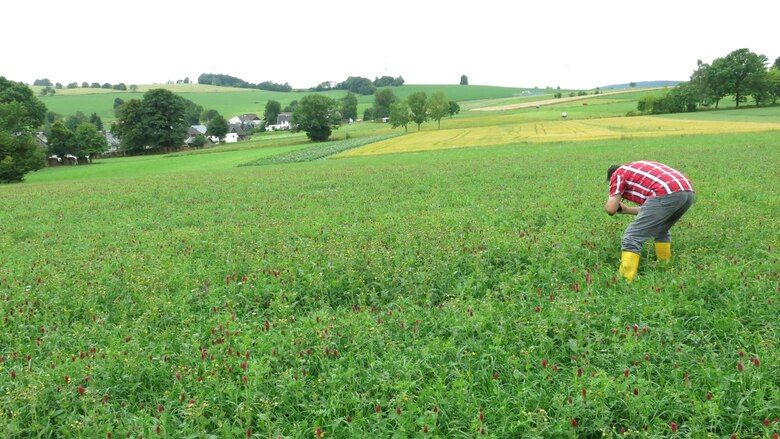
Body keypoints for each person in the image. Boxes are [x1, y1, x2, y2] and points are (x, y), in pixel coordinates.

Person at [605, 161, 695, 281]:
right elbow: (654, 210)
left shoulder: (618, 174)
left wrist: (611, 203)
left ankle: (625, 279)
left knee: (632, 236)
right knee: (661, 229)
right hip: (687, 191)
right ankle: (665, 266)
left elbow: (611, 209)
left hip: (665, 191)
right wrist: (627, 209)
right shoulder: (638, 171)